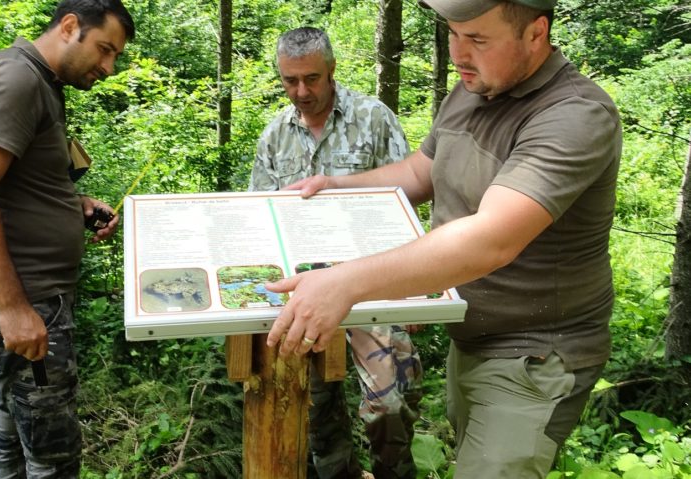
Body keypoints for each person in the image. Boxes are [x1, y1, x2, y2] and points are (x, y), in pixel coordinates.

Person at [263, 2, 622, 478]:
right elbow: (419, 171)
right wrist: (334, 184)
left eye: (476, 39)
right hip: (471, 338)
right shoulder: (475, 89)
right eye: (453, 34)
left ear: (537, 33)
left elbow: (490, 240)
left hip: (534, 354)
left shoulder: (574, 116)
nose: (457, 54)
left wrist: (345, 282)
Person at [0, 1, 135, 477]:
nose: (108, 68)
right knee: (52, 455)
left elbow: (15, 183)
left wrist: (76, 205)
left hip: (32, 297)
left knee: (12, 425)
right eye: (104, 49)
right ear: (70, 27)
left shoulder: (41, 83)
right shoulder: (15, 80)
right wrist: (12, 308)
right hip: (21, 301)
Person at [249, 27, 422, 479]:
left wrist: (420, 285)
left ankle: (394, 473)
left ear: (332, 72)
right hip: (303, 291)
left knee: (391, 401)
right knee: (315, 408)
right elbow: (259, 216)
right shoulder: (274, 136)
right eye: (290, 81)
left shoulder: (373, 118)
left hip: (374, 285)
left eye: (312, 79)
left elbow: (408, 200)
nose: (301, 92)